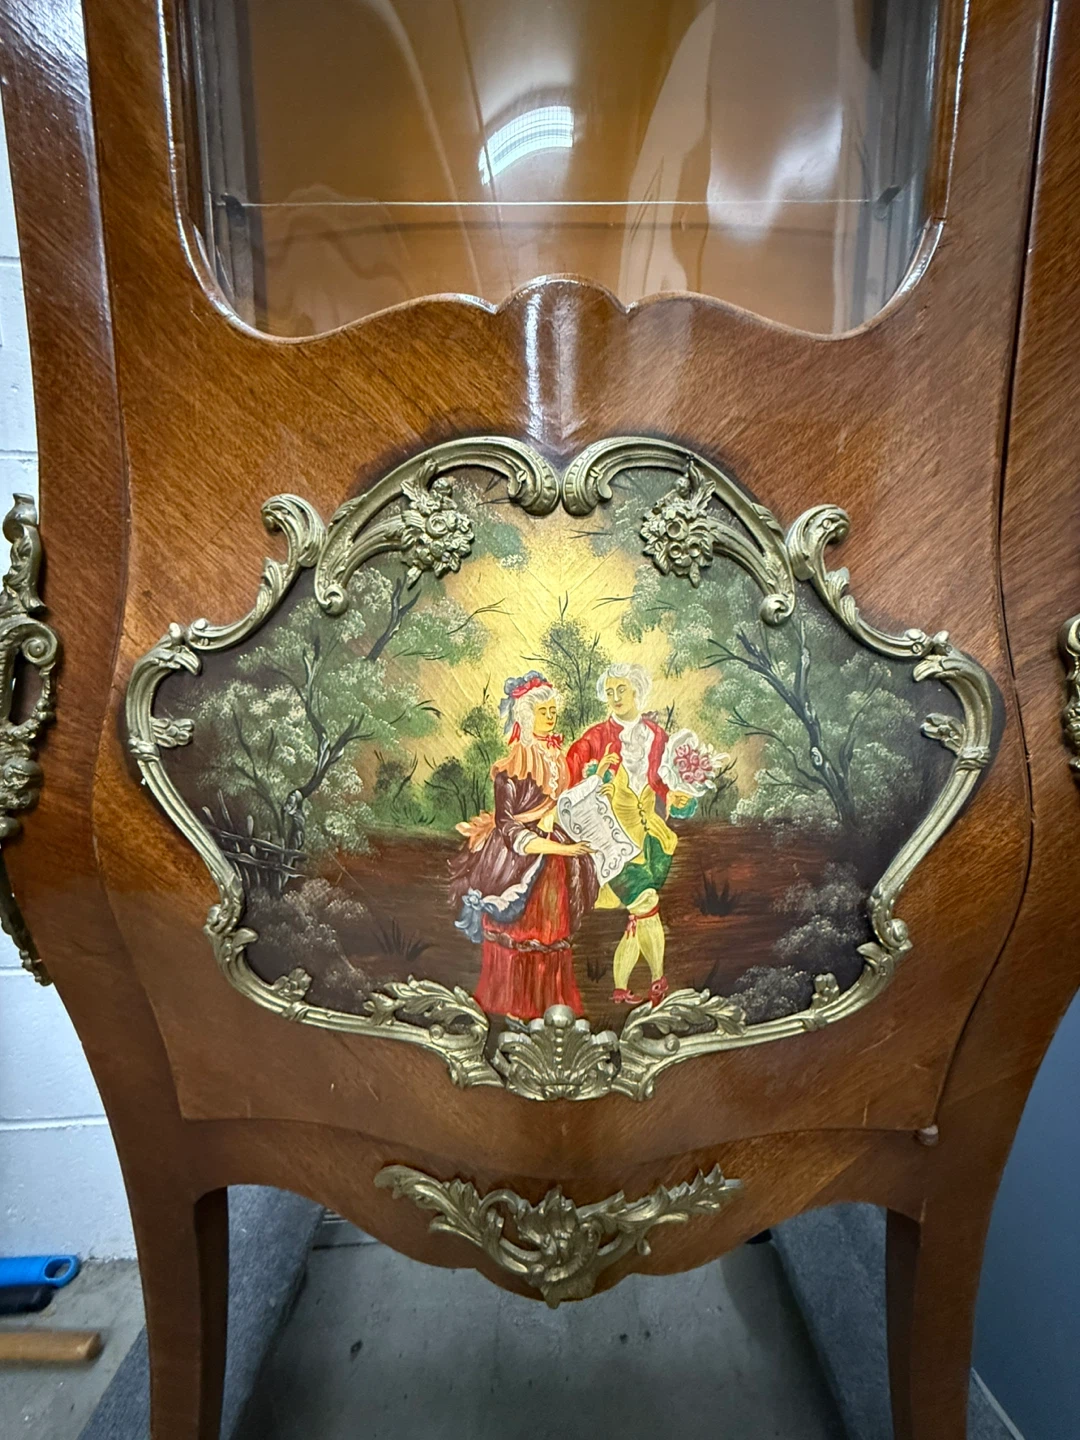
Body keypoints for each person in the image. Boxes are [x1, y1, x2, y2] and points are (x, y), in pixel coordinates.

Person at [449, 672, 597, 1019]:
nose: (550, 716)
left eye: (552, 710)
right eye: (543, 711)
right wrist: (559, 848)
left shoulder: (557, 758)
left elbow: (564, 803)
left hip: (553, 863)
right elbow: (507, 824)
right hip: (519, 860)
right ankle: (513, 1010)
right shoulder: (511, 767)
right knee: (522, 933)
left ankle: (551, 1009)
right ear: (527, 716)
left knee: (552, 934)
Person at [567, 663, 695, 1006]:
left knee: (639, 916)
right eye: (609, 692)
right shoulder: (594, 739)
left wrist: (676, 799)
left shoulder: (658, 736)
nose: (615, 697)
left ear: (637, 690)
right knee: (646, 903)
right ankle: (658, 982)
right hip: (613, 842)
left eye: (621, 689)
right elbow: (570, 784)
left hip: (653, 837)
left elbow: (664, 785)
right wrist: (597, 777)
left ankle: (620, 988)